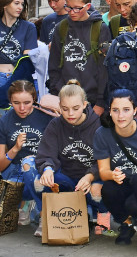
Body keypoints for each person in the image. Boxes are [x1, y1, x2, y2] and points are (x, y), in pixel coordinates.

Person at [34, 80, 103, 237]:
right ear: (59, 107)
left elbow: (104, 160)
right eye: (65, 109)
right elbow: (46, 153)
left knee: (99, 189)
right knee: (39, 179)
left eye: (75, 108)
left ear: (85, 104)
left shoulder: (97, 126)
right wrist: (47, 168)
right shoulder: (55, 125)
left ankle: (99, 211)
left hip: (91, 179)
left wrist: (90, 176)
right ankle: (46, 215)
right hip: (66, 178)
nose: (70, 114)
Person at [94, 90, 137, 245]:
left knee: (134, 204)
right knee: (107, 189)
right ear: (109, 111)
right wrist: (112, 175)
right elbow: (103, 171)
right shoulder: (102, 133)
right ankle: (127, 223)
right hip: (123, 181)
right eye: (115, 110)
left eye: (126, 110)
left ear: (135, 110)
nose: (121, 116)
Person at [0, 80, 51, 225]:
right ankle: (25, 203)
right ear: (10, 101)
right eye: (16, 103)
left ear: (34, 100)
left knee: (29, 165)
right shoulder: (3, 122)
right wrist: (15, 149)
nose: (22, 108)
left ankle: (41, 213)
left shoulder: (46, 117)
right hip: (15, 173)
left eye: (27, 102)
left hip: (41, 171)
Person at [46, 0, 111, 113]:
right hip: (64, 99)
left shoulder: (100, 28)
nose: (72, 12)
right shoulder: (61, 28)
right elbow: (53, 65)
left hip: (92, 101)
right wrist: (55, 92)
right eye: (68, 8)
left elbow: (105, 69)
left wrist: (100, 102)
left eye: (77, 8)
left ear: (87, 6)